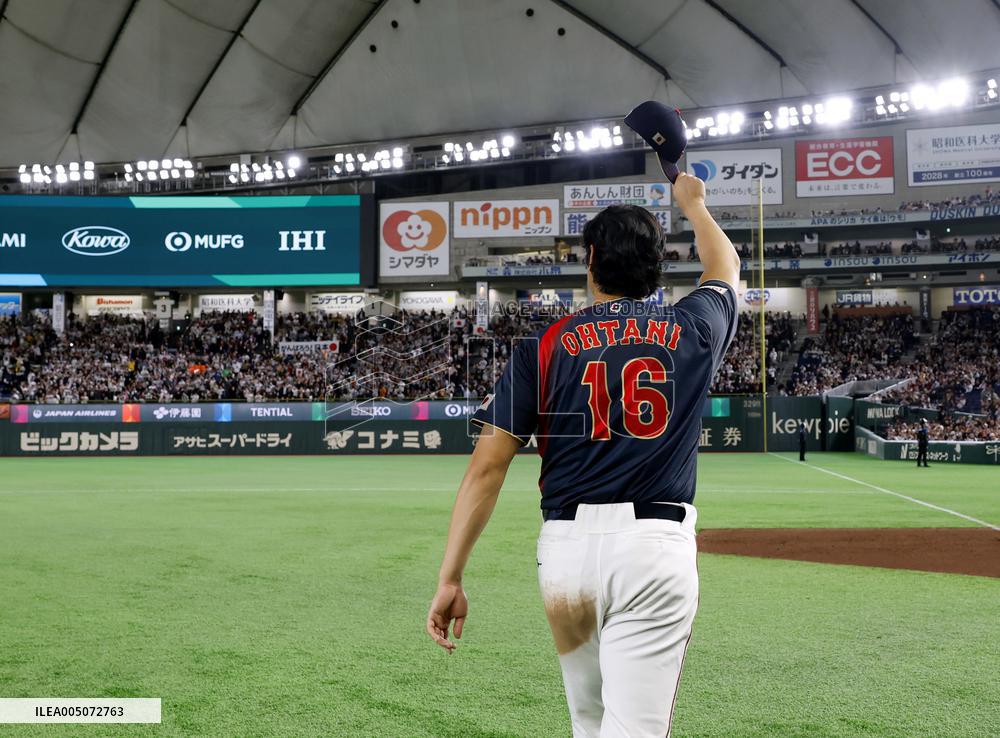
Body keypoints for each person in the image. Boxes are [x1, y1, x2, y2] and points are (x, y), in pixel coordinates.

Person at [425, 172, 740, 737]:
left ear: (590, 257)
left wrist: (451, 576)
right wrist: (694, 206)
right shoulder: (693, 327)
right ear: (658, 265)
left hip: (565, 556)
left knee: (589, 725)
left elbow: (487, 468)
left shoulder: (544, 346)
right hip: (652, 551)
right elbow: (726, 270)